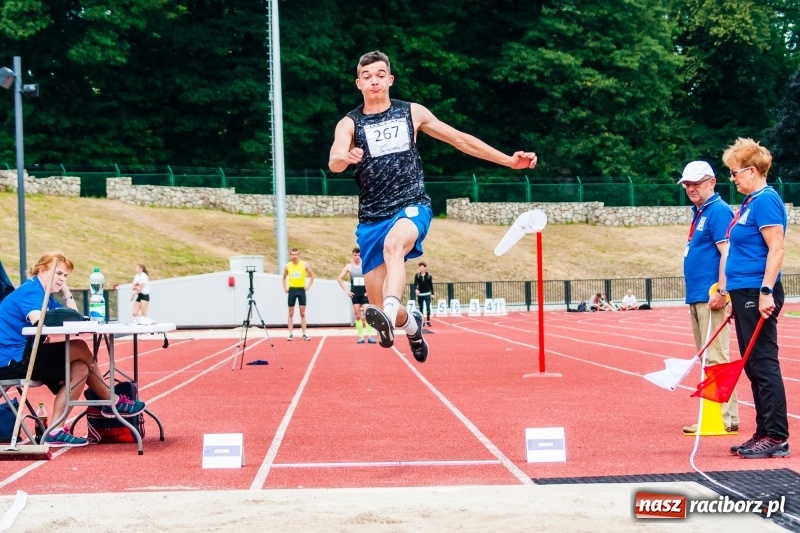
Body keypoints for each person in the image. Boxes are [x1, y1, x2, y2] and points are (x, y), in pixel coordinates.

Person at [328, 50, 537, 363]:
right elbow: (333, 160)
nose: (375, 81)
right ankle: (409, 324)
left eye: (381, 74)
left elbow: (459, 140)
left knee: (394, 245)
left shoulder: (411, 113)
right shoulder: (350, 123)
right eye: (368, 76)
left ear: (390, 79)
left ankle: (388, 307)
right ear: (359, 83)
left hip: (411, 205)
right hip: (371, 217)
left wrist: (507, 160)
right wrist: (344, 158)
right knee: (377, 302)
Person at [0, 252, 145, 447]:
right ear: (42, 271)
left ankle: (55, 430)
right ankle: (112, 401)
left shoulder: (45, 294)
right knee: (79, 347)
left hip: (29, 355)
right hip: (13, 360)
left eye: (65, 276)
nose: (61, 279)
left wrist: (65, 289)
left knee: (81, 368)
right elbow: (38, 320)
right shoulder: (31, 291)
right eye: (58, 274)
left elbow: (72, 315)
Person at [721, 139, 789, 458]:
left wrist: (764, 291)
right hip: (744, 292)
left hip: (757, 290)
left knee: (763, 362)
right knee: (753, 365)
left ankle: (775, 435)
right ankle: (763, 431)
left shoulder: (766, 200)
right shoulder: (750, 202)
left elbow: (776, 248)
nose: (731, 178)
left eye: (734, 172)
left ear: (751, 170)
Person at [677, 160, 739, 435]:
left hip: (711, 295)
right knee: (711, 357)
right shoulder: (701, 211)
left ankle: (720, 418)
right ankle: (726, 416)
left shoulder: (717, 212)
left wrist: (723, 292)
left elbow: (727, 253)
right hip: (699, 295)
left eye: (696, 183)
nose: (691, 188)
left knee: (715, 357)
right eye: (687, 184)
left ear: (712, 183)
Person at [337, 247, 376, 344]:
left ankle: (370, 336)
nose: (357, 257)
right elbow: (339, 278)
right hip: (355, 294)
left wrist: (370, 291)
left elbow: (373, 277)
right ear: (352, 256)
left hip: (365, 293)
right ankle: (361, 336)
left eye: (359, 255)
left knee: (368, 314)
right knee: (357, 315)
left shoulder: (365, 265)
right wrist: (347, 291)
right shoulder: (349, 267)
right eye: (355, 255)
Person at [282, 248, 316, 341]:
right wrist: (285, 288)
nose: (294, 256)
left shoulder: (304, 264)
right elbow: (284, 278)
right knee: (290, 313)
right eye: (292, 254)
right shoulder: (287, 266)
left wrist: (308, 286)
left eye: (296, 254)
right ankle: (290, 334)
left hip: (301, 290)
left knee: (302, 313)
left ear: (298, 255)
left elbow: (313, 276)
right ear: (290, 255)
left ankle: (304, 334)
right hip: (292, 290)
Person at [413, 262, 434, 327]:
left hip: (427, 293)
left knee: (428, 307)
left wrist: (432, 293)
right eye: (420, 267)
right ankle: (422, 321)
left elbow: (431, 284)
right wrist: (416, 289)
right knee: (421, 308)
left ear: (424, 268)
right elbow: (415, 284)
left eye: (422, 267)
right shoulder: (417, 275)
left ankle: (428, 321)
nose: (421, 269)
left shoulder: (429, 275)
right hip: (420, 294)